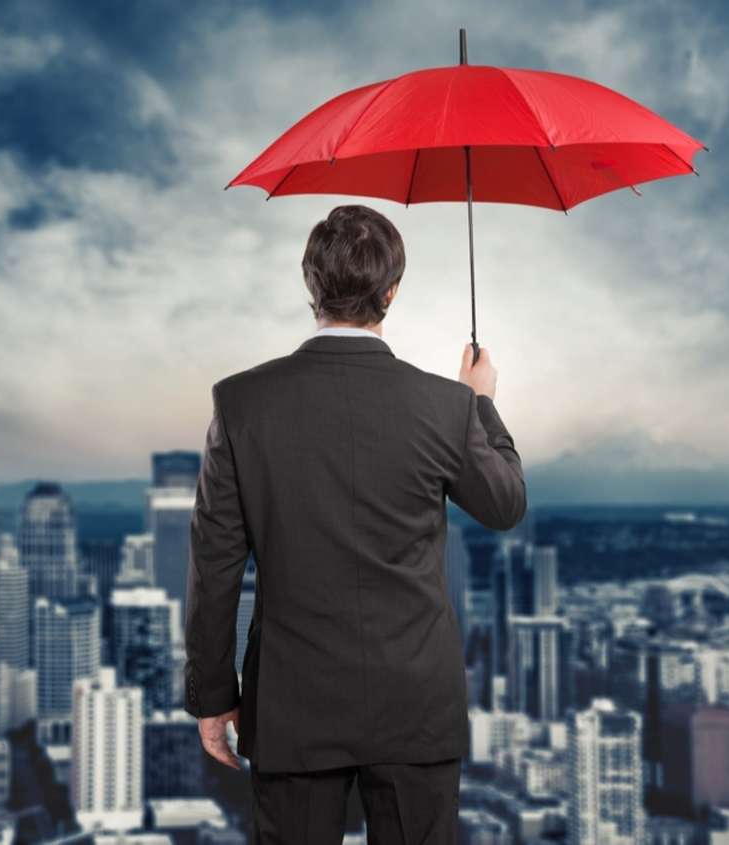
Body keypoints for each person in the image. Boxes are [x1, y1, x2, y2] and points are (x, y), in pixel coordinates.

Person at [183, 203, 527, 843]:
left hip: (292, 700)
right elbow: (505, 504)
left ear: (310, 285)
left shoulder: (241, 402)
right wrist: (480, 403)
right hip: (415, 702)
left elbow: (215, 564)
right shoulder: (444, 406)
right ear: (391, 291)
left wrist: (211, 695)